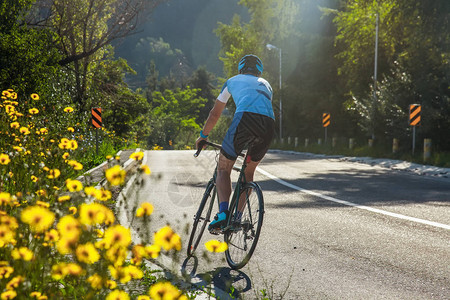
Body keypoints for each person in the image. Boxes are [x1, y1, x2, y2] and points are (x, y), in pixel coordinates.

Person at [195, 54, 275, 233]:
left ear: (240, 69)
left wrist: (203, 136)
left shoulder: (232, 81)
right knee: (249, 172)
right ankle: (236, 218)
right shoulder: (267, 84)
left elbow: (215, 114)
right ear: (259, 72)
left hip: (245, 119)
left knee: (223, 168)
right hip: (269, 124)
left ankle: (223, 214)